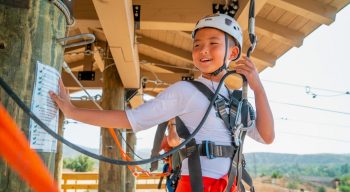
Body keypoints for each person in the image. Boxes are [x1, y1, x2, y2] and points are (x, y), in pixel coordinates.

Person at [50, 13, 274, 192]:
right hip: (198, 185)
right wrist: (72, 112)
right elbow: (130, 119)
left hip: (232, 184)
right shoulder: (185, 91)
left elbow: (266, 136)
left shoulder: (235, 99)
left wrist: (258, 88)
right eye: (197, 45)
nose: (203, 50)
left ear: (233, 52)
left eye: (213, 43)